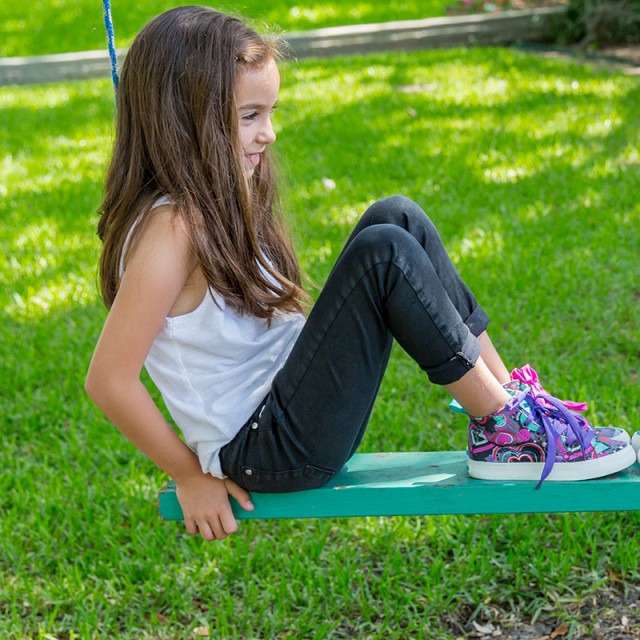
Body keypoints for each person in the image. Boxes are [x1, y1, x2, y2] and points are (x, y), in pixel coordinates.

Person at [85, 5, 635, 541]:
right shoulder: (170, 233)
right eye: (250, 116)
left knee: (397, 217)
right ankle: (508, 434)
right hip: (266, 448)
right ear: (184, 120)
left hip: (289, 409)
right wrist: (189, 474)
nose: (268, 133)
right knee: (383, 253)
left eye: (270, 112)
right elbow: (108, 380)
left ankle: (511, 406)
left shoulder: (208, 201)